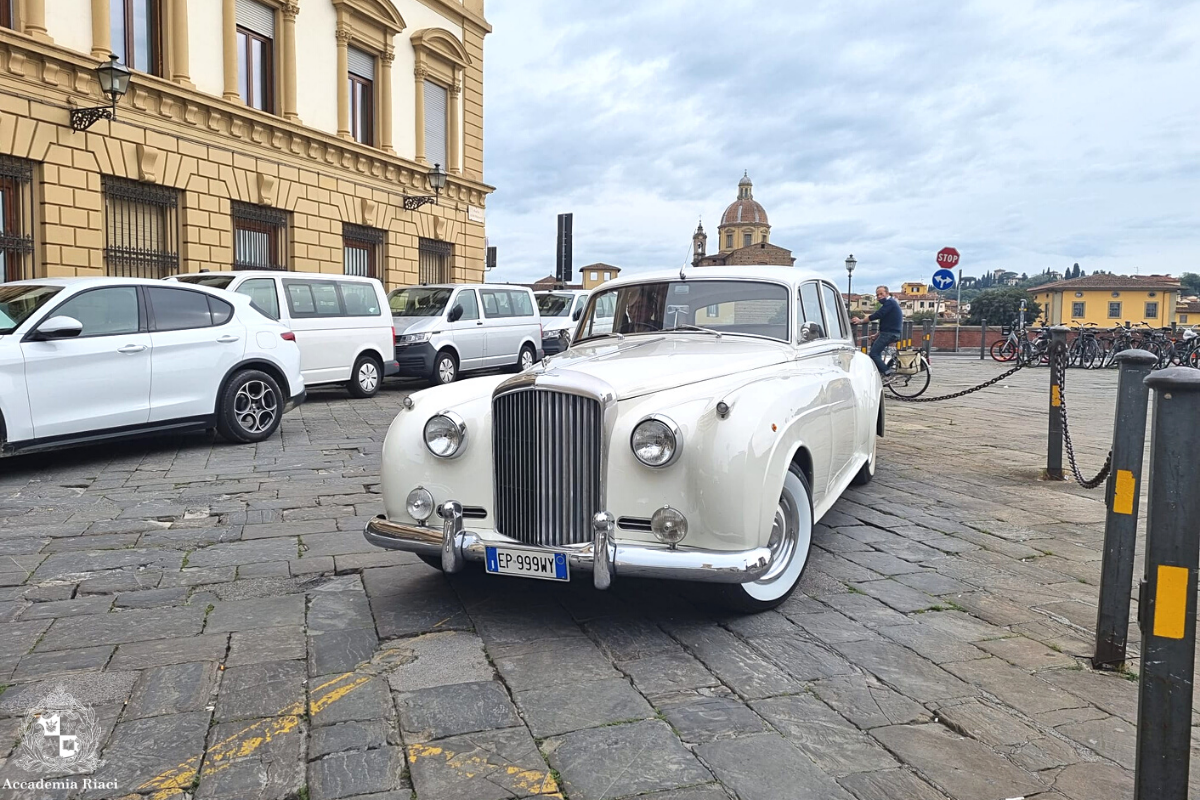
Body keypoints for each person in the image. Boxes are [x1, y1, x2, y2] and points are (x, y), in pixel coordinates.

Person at [852, 285, 903, 378]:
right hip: (890, 332)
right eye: (877, 295)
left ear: (887, 293)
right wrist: (877, 334)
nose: (879, 296)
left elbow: (878, 314)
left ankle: (887, 373)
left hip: (889, 334)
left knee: (873, 354)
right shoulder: (891, 303)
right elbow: (886, 322)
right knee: (876, 349)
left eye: (881, 294)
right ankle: (879, 373)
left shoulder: (890, 303)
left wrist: (861, 321)